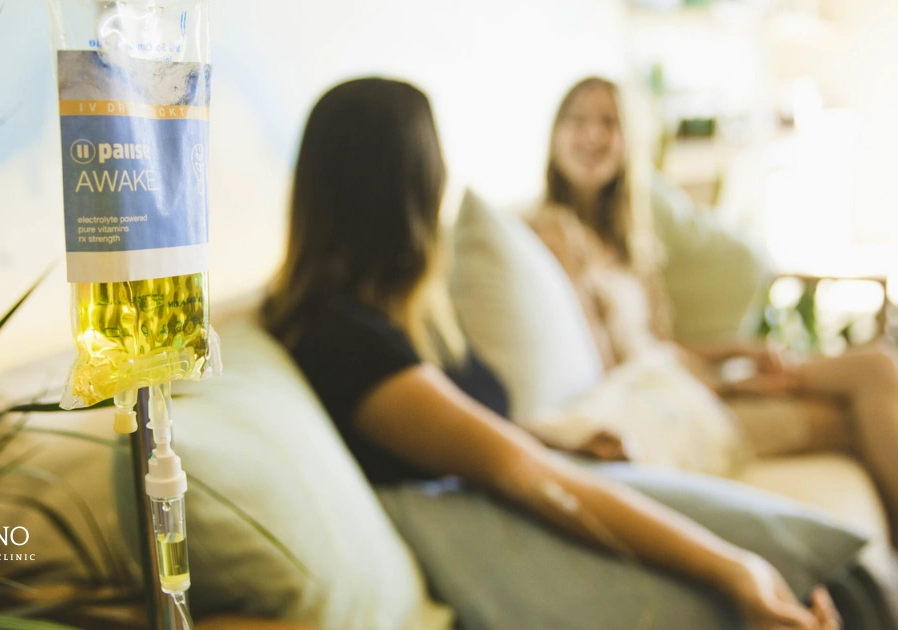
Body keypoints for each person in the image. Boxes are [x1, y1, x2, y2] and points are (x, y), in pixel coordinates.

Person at [260, 77, 840, 630]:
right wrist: (734, 567)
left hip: (550, 470)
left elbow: (472, 440)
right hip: (524, 534)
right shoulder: (344, 341)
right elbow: (526, 475)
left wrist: (549, 433)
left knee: (806, 550)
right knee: (793, 567)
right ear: (405, 191)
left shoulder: (379, 319)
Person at [530, 76, 898, 571]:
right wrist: (724, 389)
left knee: (877, 369)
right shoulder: (552, 233)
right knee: (867, 400)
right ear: (555, 135)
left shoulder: (628, 237)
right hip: (667, 406)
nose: (592, 135)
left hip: (685, 385)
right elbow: (611, 371)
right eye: (577, 120)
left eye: (607, 123)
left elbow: (659, 344)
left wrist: (738, 355)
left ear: (628, 142)